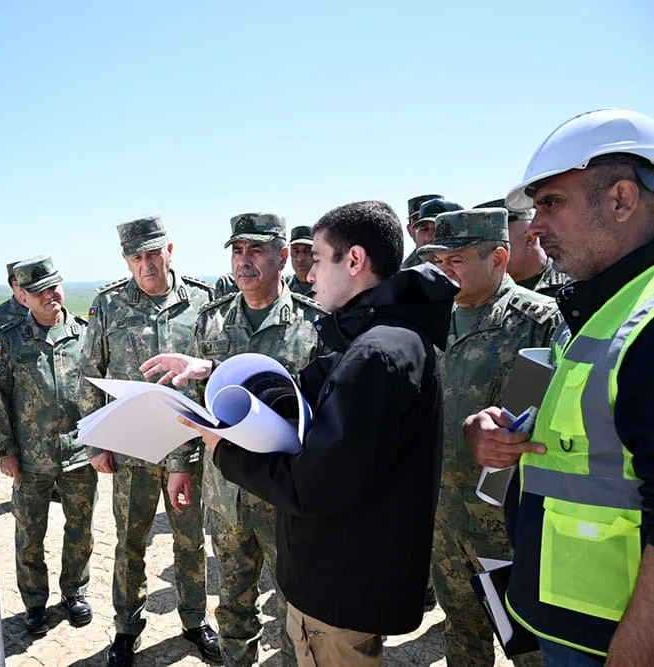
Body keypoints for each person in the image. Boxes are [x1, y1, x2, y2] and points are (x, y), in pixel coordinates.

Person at [174, 201, 458, 666]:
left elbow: (310, 486)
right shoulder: (389, 338)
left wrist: (223, 448)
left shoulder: (376, 354)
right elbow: (320, 389)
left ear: (355, 260)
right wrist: (216, 371)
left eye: (320, 259)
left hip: (338, 586)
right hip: (351, 574)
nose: (309, 274)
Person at [463, 108, 654, 665]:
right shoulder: (600, 308)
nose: (535, 227)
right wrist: (498, 436)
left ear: (622, 199)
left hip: (616, 644)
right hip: (572, 625)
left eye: (551, 204)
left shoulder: (645, 320)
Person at [142, 212, 325, 666]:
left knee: (295, 607)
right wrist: (181, 466)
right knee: (233, 603)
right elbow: (193, 403)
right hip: (227, 494)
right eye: (238, 250)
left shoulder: (314, 323)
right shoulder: (212, 321)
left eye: (256, 250)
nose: (244, 260)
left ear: (282, 256)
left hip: (286, 496)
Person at [419, 208, 560, 667]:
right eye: (438, 261)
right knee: (462, 634)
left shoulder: (542, 322)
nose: (444, 271)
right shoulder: (432, 320)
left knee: (529, 646)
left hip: (510, 527)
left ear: (498, 258)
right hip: (445, 520)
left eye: (456, 260)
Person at [79, 216, 222, 666]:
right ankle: (126, 628)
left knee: (190, 541)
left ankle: (195, 620)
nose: (146, 265)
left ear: (169, 251)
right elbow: (89, 375)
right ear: (126, 260)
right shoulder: (108, 305)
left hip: (189, 452)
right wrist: (96, 443)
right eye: (136, 257)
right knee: (129, 543)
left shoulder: (203, 301)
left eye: (153, 254)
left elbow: (217, 373)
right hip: (132, 453)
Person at [0, 255, 96, 635]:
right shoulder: (8, 339)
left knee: (80, 529)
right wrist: (7, 452)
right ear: (23, 297)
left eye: (53, 286)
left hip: (79, 453)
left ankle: (75, 592)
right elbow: (0, 398)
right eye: (38, 291)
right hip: (32, 459)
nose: (49, 295)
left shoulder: (85, 333)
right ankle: (34, 603)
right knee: (30, 534)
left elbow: (99, 391)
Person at [474, 199, 571, 297]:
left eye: (493, 246)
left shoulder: (572, 287)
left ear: (530, 239)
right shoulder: (477, 293)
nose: (483, 255)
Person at [401, 193, 443, 268]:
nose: (429, 237)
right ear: (410, 230)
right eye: (418, 220)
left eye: (436, 226)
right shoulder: (402, 269)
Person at [0, 259, 29, 334]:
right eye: (17, 284)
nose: (22, 290)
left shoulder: (45, 307)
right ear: (12, 287)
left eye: (25, 283)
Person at [286, 225, 316, 295]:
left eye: (308, 251)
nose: (300, 258)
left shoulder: (334, 289)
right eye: (295, 252)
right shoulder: (282, 289)